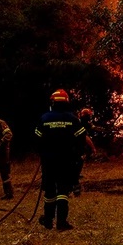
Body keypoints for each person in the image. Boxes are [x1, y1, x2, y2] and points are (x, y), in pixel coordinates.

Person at [34, 89, 86, 230]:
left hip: (49, 160)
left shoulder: (44, 118)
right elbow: (82, 138)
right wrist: (78, 153)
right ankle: (62, 223)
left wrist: (43, 152)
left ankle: (48, 220)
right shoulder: (72, 119)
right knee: (63, 190)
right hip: (67, 160)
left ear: (53, 102)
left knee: (49, 190)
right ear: (66, 102)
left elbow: (37, 138)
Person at [73, 108, 98, 196]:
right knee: (78, 164)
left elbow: (92, 127)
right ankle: (75, 185)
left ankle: (74, 180)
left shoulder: (79, 122)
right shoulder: (82, 123)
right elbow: (85, 137)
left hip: (75, 147)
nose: (89, 117)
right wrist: (93, 147)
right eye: (88, 115)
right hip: (77, 148)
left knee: (77, 164)